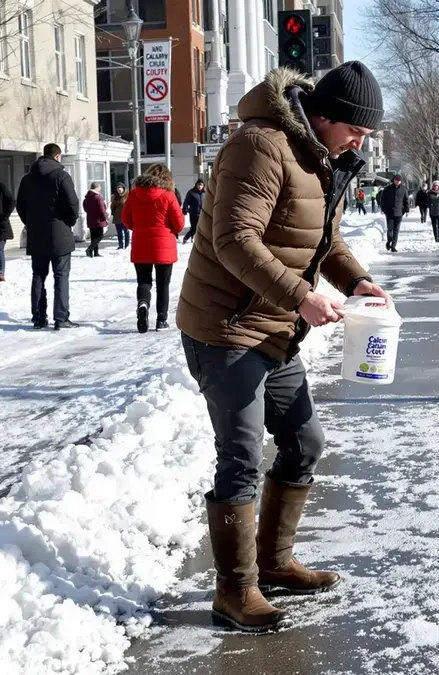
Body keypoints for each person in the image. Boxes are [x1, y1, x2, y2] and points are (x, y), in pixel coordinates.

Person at [176, 61, 393, 634]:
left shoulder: (321, 158)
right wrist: (301, 295)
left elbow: (327, 239)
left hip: (273, 332)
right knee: (242, 455)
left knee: (303, 442)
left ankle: (272, 564)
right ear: (322, 116)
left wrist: (358, 282)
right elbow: (233, 238)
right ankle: (234, 591)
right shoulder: (260, 145)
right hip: (225, 328)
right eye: (356, 129)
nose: (360, 140)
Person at [17, 143, 80, 330]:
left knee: (38, 275)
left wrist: (30, 223)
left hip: (36, 235)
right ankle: (60, 318)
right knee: (61, 276)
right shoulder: (61, 176)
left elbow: (20, 205)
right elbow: (73, 204)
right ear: (58, 156)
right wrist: (68, 222)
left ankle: (38, 317)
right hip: (59, 234)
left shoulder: (27, 179)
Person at [123, 164, 185, 333]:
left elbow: (125, 219)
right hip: (164, 246)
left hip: (141, 245)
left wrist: (138, 228)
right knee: (163, 285)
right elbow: (179, 224)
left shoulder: (134, 194)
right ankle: (161, 320)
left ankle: (143, 303)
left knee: (144, 281)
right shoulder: (169, 196)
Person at [378, 174, 408, 252]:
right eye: (396, 180)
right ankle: (389, 241)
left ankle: (393, 246)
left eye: (399, 181)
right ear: (393, 180)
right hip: (389, 212)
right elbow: (382, 199)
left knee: (396, 230)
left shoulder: (403, 189)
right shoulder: (387, 189)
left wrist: (406, 210)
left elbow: (406, 200)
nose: (398, 182)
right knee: (390, 229)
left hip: (399, 212)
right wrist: (383, 209)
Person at [83, 182, 109, 257]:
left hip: (90, 219)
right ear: (97, 188)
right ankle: (89, 249)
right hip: (98, 219)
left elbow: (85, 208)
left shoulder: (87, 197)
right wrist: (105, 218)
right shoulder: (98, 197)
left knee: (93, 236)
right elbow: (102, 209)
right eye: (99, 187)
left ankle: (95, 252)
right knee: (100, 235)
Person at [182, 179, 205, 243]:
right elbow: (186, 202)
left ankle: (198, 240)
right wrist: (185, 209)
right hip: (193, 213)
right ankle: (186, 237)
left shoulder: (205, 193)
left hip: (202, 214)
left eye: (201, 185)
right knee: (194, 228)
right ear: (196, 185)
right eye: (198, 185)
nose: (200, 186)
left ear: (203, 186)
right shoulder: (191, 192)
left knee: (202, 228)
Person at [111, 184, 129, 250]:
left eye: (120, 188)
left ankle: (127, 245)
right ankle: (120, 245)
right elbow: (112, 207)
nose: (119, 189)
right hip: (117, 217)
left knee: (126, 231)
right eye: (118, 188)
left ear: (123, 189)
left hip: (125, 217)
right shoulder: (115, 197)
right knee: (119, 232)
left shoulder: (127, 196)